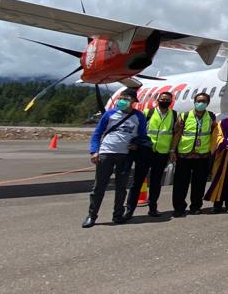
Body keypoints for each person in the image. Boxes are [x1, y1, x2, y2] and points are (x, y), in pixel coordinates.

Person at [84, 89, 147, 228]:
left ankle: (117, 215)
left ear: (133, 101)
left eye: (126, 98)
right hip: (106, 153)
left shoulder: (139, 116)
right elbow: (97, 134)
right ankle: (92, 216)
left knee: (121, 187)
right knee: (99, 187)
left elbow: (143, 135)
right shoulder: (109, 114)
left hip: (125, 156)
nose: (122, 101)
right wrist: (94, 151)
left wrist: (136, 144)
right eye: (121, 98)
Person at [123, 91, 176, 219]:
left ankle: (153, 208)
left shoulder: (173, 115)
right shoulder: (148, 113)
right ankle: (129, 211)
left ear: (171, 101)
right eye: (162, 99)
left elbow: (174, 133)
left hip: (161, 153)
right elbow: (138, 130)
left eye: (167, 99)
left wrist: (172, 151)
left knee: (156, 183)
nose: (165, 101)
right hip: (145, 152)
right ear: (158, 100)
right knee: (137, 182)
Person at [170, 92, 219, 217]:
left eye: (203, 101)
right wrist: (172, 151)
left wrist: (213, 151)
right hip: (184, 155)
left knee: (199, 183)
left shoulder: (211, 117)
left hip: (202, 156)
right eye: (198, 101)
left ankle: (196, 206)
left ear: (207, 103)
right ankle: (179, 208)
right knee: (180, 183)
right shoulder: (185, 116)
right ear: (194, 102)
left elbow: (214, 134)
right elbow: (177, 134)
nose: (200, 103)